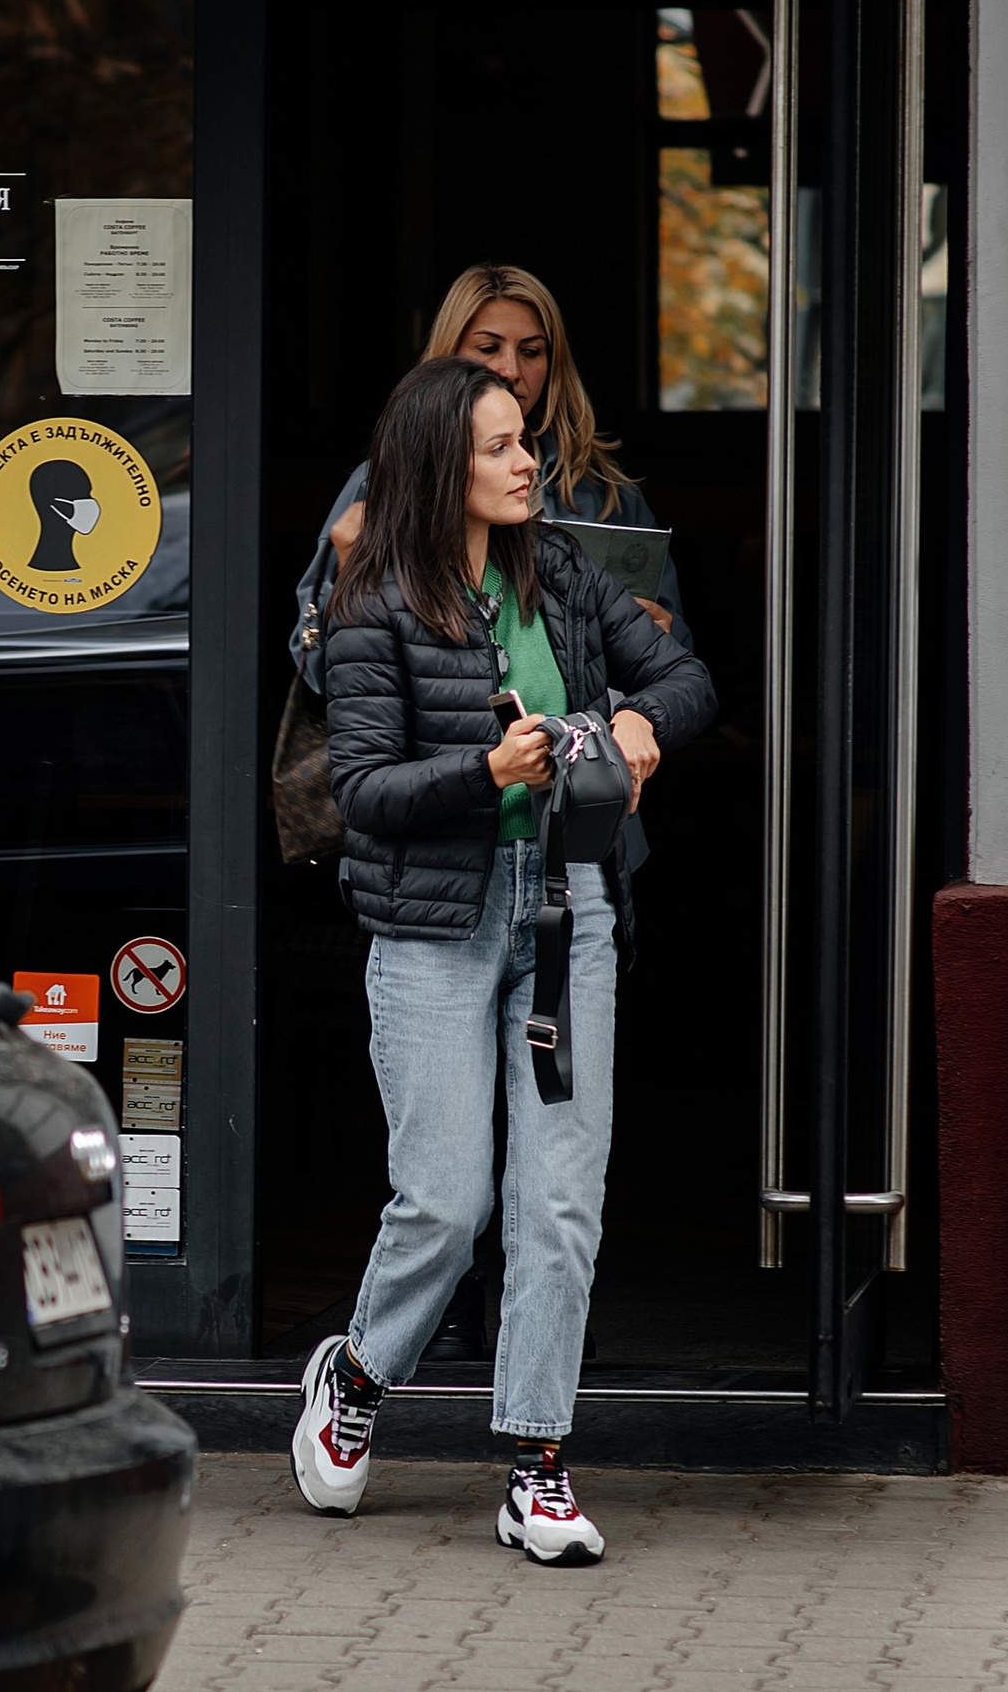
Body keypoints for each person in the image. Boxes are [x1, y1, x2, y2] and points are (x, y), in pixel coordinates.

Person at [293, 356, 716, 1564]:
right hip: (434, 922)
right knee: (445, 1199)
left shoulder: (563, 572)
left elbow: (684, 674)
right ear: (441, 465)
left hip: (567, 914)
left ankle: (536, 1465)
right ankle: (361, 1374)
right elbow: (361, 790)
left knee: (560, 1202)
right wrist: (485, 774)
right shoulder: (373, 605)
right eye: (498, 445)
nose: (527, 459)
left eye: (523, 438)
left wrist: (640, 720)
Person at [291, 261, 683, 695]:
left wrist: (656, 644)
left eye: (531, 351)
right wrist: (353, 582)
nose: (509, 370)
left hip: (587, 743)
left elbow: (678, 662)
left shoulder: (603, 493)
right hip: (444, 746)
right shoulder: (386, 481)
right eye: (488, 348)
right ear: (449, 354)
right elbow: (317, 667)